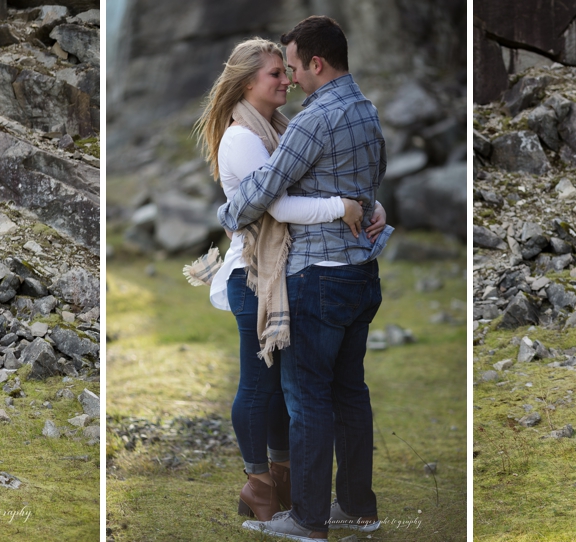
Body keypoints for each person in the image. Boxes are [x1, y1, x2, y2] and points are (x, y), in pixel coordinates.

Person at [182, 36, 385, 523]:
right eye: (276, 73)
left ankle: (286, 480)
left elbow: (313, 180)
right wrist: (345, 207)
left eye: (287, 70)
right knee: (259, 386)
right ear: (248, 82)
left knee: (281, 386)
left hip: (284, 271)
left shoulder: (282, 126)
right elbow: (277, 207)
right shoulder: (243, 137)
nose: (286, 80)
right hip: (254, 273)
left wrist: (369, 204)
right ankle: (259, 483)